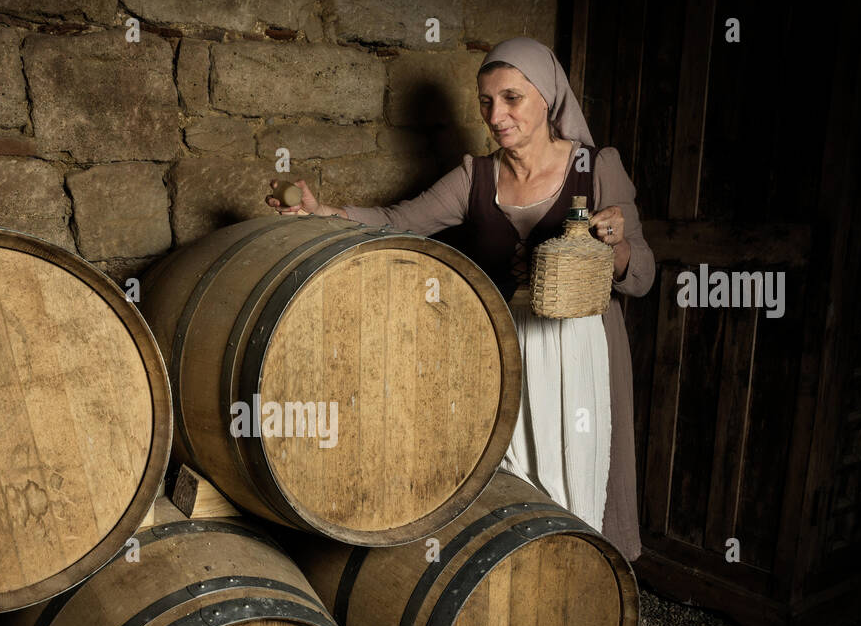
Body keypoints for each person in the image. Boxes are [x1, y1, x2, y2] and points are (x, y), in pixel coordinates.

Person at [265, 37, 654, 562]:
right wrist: (321, 212)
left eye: (512, 98)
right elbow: (398, 222)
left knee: (580, 468)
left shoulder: (597, 168)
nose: (497, 115)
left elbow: (645, 274)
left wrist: (617, 247)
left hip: (581, 352)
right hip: (505, 350)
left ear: (547, 98)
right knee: (515, 476)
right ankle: (524, 581)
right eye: (487, 102)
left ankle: (585, 583)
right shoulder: (477, 177)